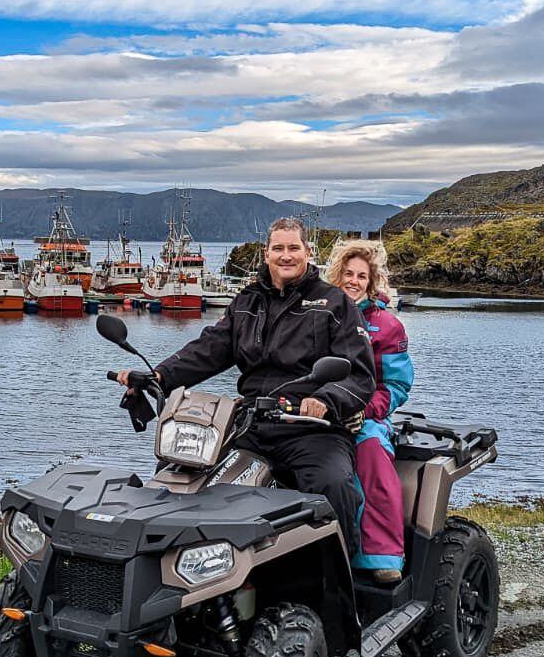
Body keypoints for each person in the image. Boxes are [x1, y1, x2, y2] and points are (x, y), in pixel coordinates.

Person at [116, 216, 376, 547]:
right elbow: (210, 348)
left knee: (334, 486)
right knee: (178, 471)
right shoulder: (247, 301)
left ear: (307, 253)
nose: (286, 255)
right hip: (249, 424)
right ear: (266, 254)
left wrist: (325, 400)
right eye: (278, 248)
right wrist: (159, 376)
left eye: (293, 248)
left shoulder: (334, 303)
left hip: (310, 428)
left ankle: (341, 588)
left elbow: (359, 372)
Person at [325, 238, 413, 584]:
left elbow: (396, 385)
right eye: (348, 273)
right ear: (336, 275)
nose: (354, 281)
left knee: (373, 458)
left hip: (365, 417)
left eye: (362, 276)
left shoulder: (388, 327)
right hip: (318, 410)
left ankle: (381, 554)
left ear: (372, 281)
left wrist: (366, 410)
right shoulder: (319, 315)